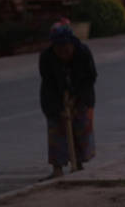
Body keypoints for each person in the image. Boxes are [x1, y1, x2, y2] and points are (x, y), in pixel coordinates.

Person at [39, 19, 97, 180]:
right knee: (56, 129)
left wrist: (75, 98)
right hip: (55, 96)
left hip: (81, 94)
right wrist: (59, 109)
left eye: (66, 49)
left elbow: (89, 78)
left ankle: (78, 163)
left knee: (80, 126)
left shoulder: (83, 53)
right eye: (59, 49)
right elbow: (49, 85)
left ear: (72, 44)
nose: (63, 53)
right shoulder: (47, 57)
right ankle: (57, 168)